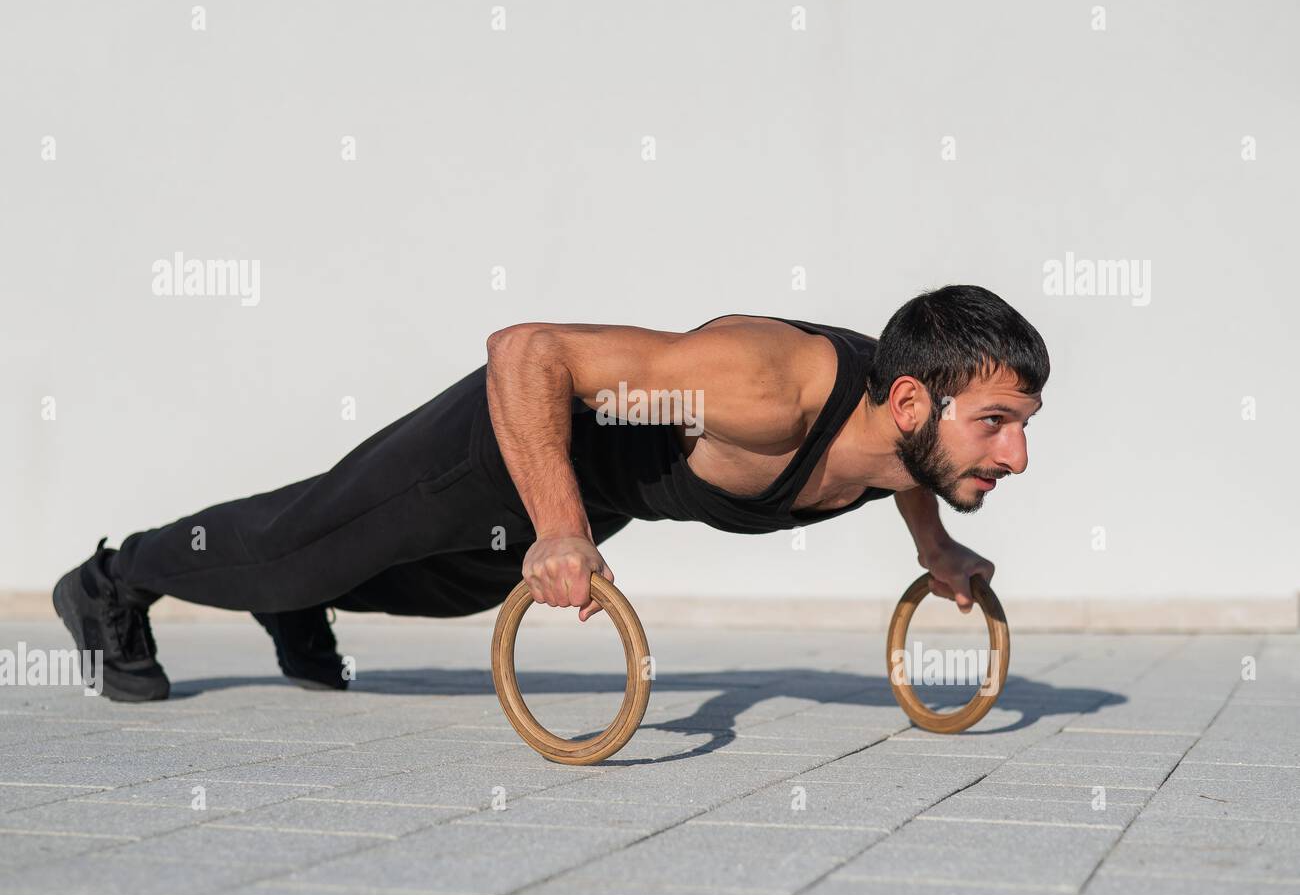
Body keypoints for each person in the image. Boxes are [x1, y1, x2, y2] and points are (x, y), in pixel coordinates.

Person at [52, 284, 1049, 702]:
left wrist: (935, 550)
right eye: (995, 426)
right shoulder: (765, 384)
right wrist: (561, 529)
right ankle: (109, 580)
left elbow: (897, 474)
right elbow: (526, 352)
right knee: (296, 543)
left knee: (439, 589)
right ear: (912, 401)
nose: (1015, 461)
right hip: (509, 441)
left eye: (1022, 429)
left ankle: (301, 590)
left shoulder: (905, 440)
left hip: (588, 493)